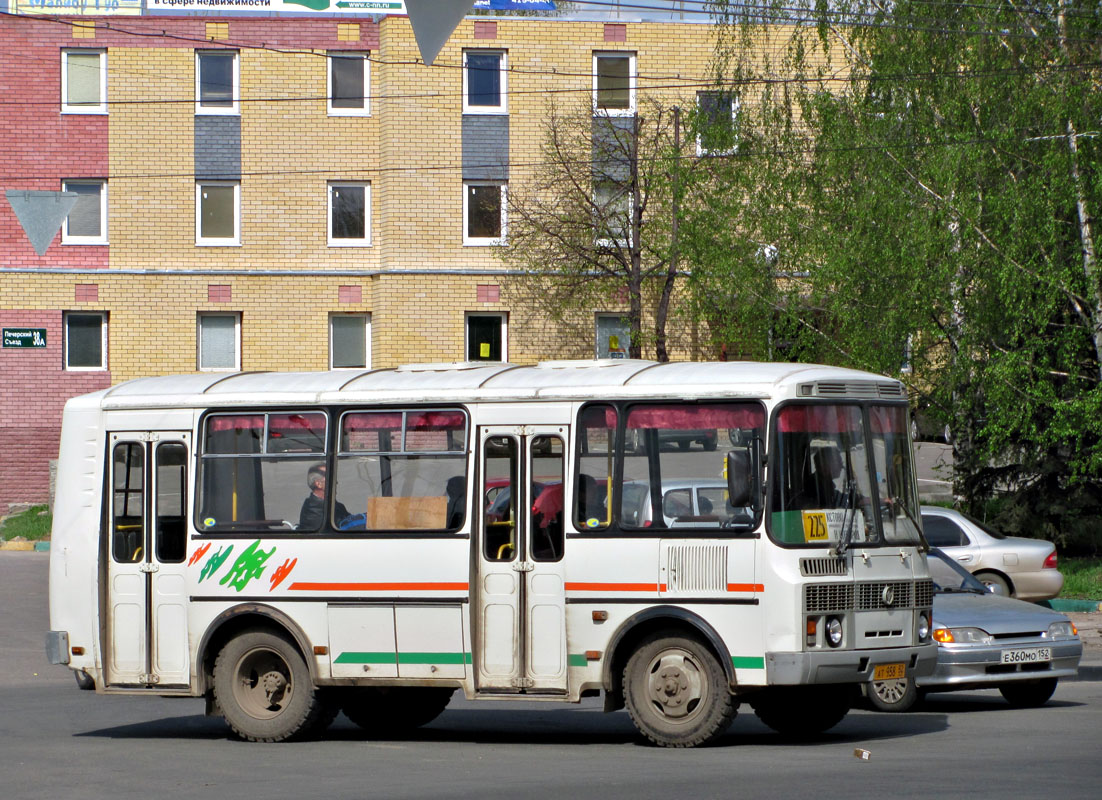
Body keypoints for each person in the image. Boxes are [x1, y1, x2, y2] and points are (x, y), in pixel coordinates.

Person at [298, 464, 350, 531]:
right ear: (319, 484)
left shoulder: (331, 505)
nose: (336, 482)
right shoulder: (315, 513)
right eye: (330, 478)